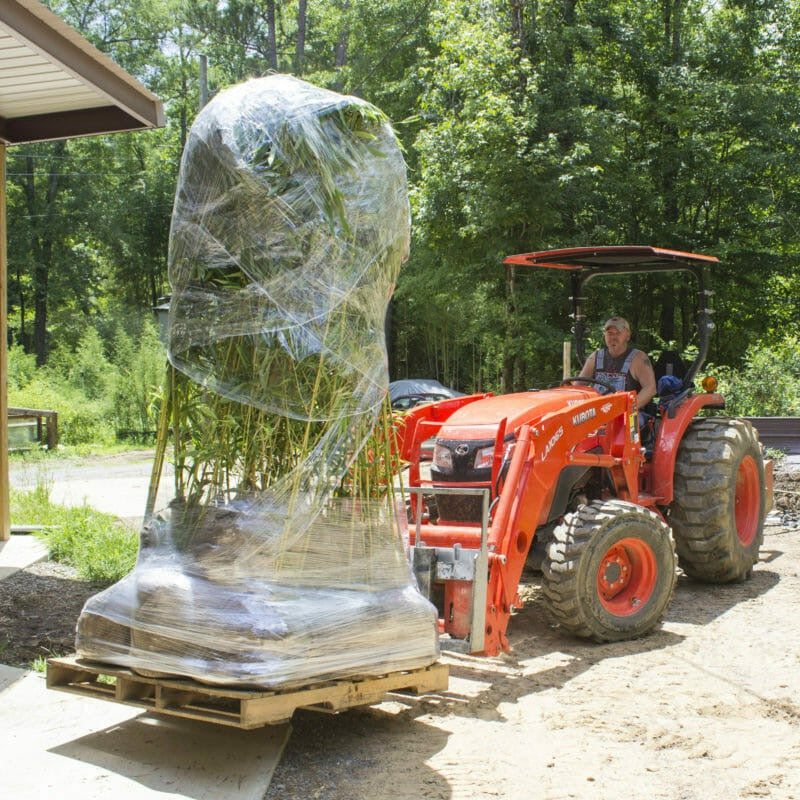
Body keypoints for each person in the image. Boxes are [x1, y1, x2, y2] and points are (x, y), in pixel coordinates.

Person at [578, 316, 657, 409]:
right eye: (610, 333)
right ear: (605, 335)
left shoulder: (638, 358)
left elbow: (650, 389)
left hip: (629, 414)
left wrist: (630, 407)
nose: (613, 337)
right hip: (598, 413)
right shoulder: (595, 357)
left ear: (628, 335)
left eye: (618, 333)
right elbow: (578, 386)